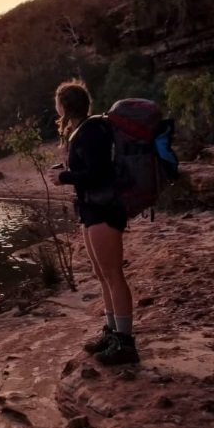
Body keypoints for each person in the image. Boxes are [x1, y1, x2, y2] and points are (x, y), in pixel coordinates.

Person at [45, 80, 139, 365]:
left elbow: (99, 172)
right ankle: (111, 333)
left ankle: (125, 344)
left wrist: (65, 177)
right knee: (102, 275)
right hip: (91, 208)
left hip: (104, 208)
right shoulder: (82, 130)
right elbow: (91, 169)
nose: (56, 106)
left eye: (57, 102)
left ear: (64, 105)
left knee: (113, 275)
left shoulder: (91, 131)